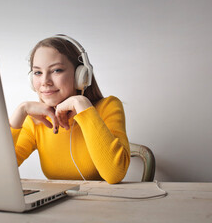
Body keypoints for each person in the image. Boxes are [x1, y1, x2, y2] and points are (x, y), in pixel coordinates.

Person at [9, 34, 130, 184]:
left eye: (56, 70)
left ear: (81, 76)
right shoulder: (36, 121)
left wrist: (82, 105)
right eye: (38, 72)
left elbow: (114, 174)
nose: (45, 82)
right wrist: (20, 112)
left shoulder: (108, 107)